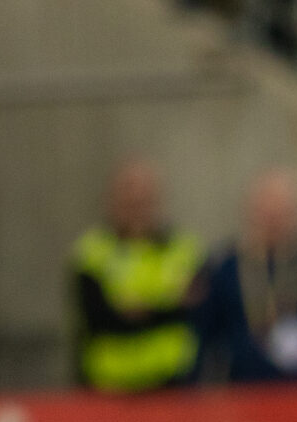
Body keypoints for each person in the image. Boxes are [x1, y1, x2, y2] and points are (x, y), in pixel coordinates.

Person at [194, 169, 297, 384]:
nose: (274, 222)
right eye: (267, 213)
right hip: (246, 389)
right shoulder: (228, 267)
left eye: (282, 213)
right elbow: (206, 335)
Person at [69, 157, 202, 392]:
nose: (137, 207)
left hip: (171, 384)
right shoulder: (91, 252)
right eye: (129, 199)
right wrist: (164, 303)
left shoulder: (184, 249)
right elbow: (97, 317)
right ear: (112, 200)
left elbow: (192, 312)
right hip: (107, 385)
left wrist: (135, 308)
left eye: (144, 200)